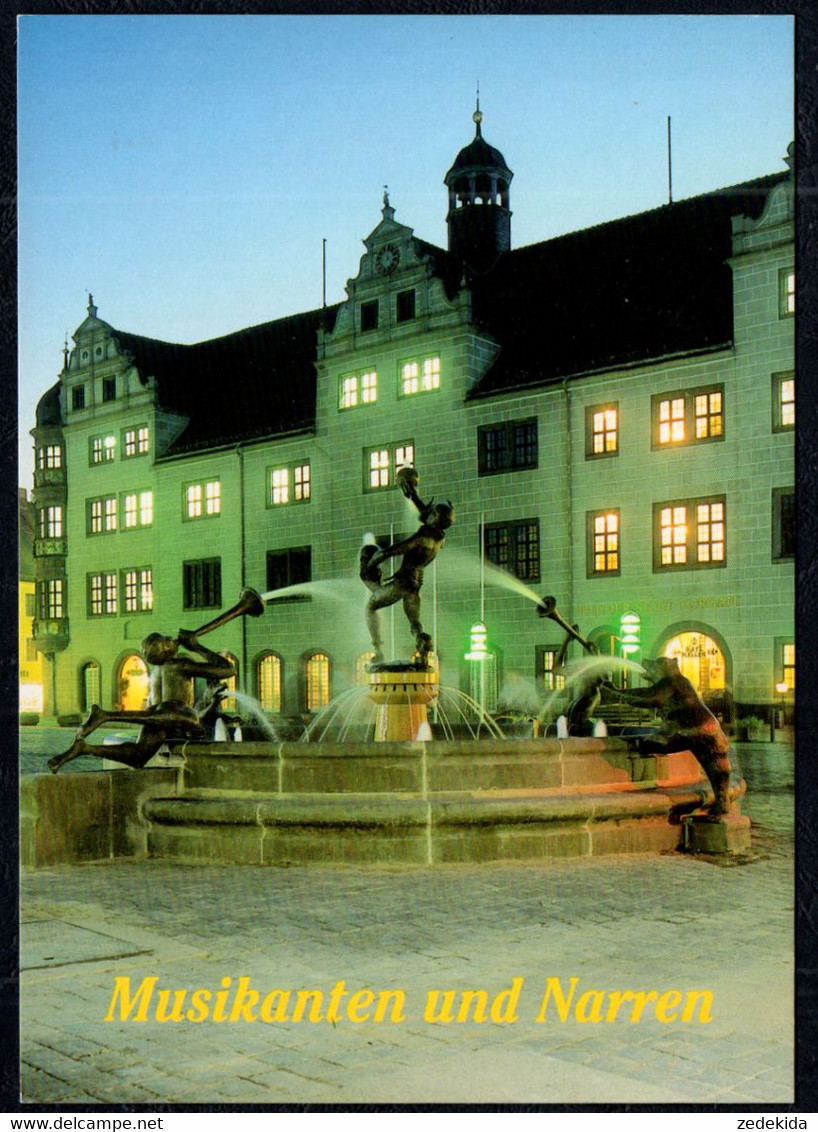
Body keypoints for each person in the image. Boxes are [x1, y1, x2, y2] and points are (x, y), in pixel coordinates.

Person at [47, 629, 236, 773]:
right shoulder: (180, 665)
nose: (173, 640)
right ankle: (106, 715)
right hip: (169, 715)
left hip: (157, 719)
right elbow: (228, 670)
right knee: (191, 718)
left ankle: (85, 748)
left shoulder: (155, 673)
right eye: (168, 640)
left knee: (139, 757)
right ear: (167, 649)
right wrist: (196, 646)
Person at [360, 467, 454, 666]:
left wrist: (374, 559)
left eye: (433, 512)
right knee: (414, 623)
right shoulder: (439, 538)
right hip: (415, 583)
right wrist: (414, 496)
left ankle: (378, 650)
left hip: (402, 582)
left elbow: (394, 550)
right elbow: (426, 514)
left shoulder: (423, 537)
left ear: (436, 518)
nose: (429, 512)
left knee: (370, 607)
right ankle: (423, 645)